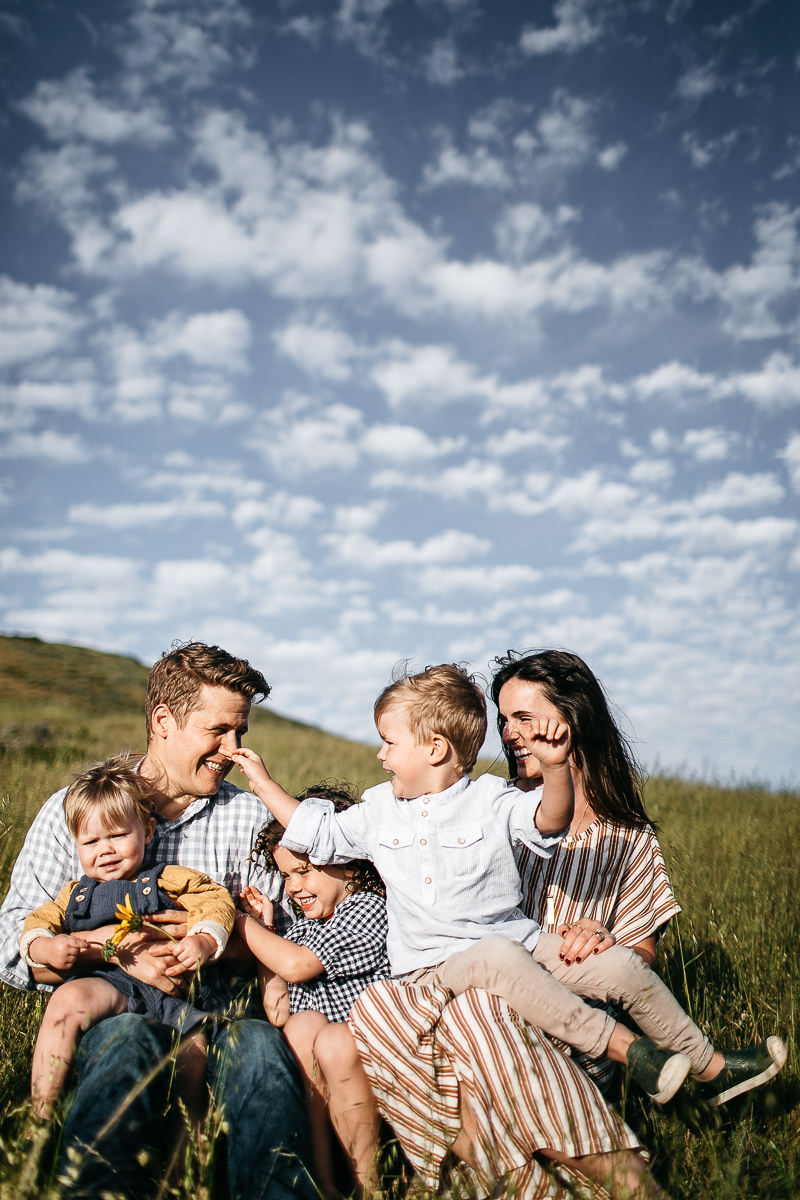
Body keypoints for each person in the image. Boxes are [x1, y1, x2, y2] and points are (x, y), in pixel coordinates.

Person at [228, 662, 785, 1131]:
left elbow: (549, 819)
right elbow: (316, 832)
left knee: (618, 969)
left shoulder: (493, 799)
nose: (379, 754)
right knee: (499, 958)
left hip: (519, 944)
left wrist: (556, 765)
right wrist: (261, 780)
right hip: (434, 968)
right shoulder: (377, 810)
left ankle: (712, 1071)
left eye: (388, 742)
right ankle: (629, 1053)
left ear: (436, 749)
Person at [0, 641, 315, 1200]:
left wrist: (219, 939)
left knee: (262, 1055)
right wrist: (109, 949)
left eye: (240, 733)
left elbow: (294, 942)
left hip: (221, 1018)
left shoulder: (248, 818)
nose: (232, 750)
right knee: (125, 1042)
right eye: (217, 731)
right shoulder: (76, 810)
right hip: (113, 1011)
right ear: (163, 721)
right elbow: (10, 945)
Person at [489, 648, 787, 1107]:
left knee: (588, 1026)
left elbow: (643, 955)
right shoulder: (496, 812)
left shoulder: (629, 835)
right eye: (504, 720)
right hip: (498, 994)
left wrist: (606, 938)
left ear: (572, 716)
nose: (509, 734)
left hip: (584, 1008)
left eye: (523, 717)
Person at [22, 757, 235, 1121]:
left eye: (118, 835)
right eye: (91, 841)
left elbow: (214, 899)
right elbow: (37, 923)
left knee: (194, 1052)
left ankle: (187, 1153)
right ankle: (40, 1116)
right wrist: (46, 947)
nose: (105, 849)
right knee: (66, 999)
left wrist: (204, 938)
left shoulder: (166, 877)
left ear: (148, 831)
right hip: (108, 986)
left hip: (170, 993)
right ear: (76, 844)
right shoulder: (74, 894)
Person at [235, 782, 389, 1199]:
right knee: (301, 1028)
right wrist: (268, 934)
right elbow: (279, 1011)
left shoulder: (368, 908)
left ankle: (366, 1186)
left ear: (350, 864)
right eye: (285, 875)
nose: (292, 887)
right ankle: (323, 1182)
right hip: (324, 1055)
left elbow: (299, 965)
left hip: (369, 1052)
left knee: (334, 1043)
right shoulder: (302, 927)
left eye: (304, 871)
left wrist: (239, 924)